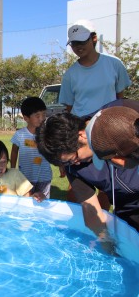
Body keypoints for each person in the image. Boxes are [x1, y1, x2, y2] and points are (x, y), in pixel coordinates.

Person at [35, 99, 139, 242]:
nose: (74, 163)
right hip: (129, 209)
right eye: (66, 162)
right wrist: (107, 243)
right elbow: (91, 213)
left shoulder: (121, 113)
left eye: (74, 158)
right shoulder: (72, 167)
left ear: (82, 136)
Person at [60, 19, 131, 116]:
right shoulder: (69, 74)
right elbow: (69, 107)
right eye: (74, 43)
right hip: (82, 127)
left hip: (108, 123)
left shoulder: (115, 64)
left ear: (94, 38)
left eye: (82, 41)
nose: (78, 46)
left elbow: (120, 99)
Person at [10, 97, 52, 199]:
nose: (42, 118)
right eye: (37, 116)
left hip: (44, 177)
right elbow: (14, 151)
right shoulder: (19, 135)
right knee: (25, 203)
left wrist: (61, 166)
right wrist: (12, 169)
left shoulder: (48, 134)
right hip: (25, 178)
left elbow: (54, 151)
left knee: (43, 203)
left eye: (43, 114)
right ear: (26, 118)